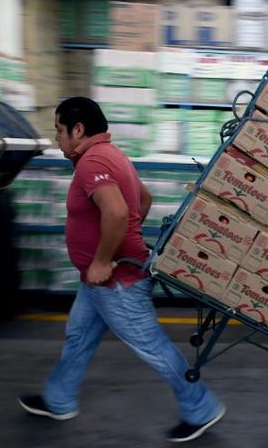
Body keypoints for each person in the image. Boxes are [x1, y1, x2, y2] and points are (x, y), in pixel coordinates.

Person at [18, 97, 225, 443]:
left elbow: (115, 212)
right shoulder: (113, 155)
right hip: (98, 281)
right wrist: (117, 245)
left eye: (59, 130)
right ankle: (58, 399)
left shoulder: (92, 161)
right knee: (78, 337)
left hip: (116, 282)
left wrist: (103, 258)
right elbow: (143, 201)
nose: (56, 137)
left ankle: (201, 407)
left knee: (152, 347)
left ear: (78, 129)